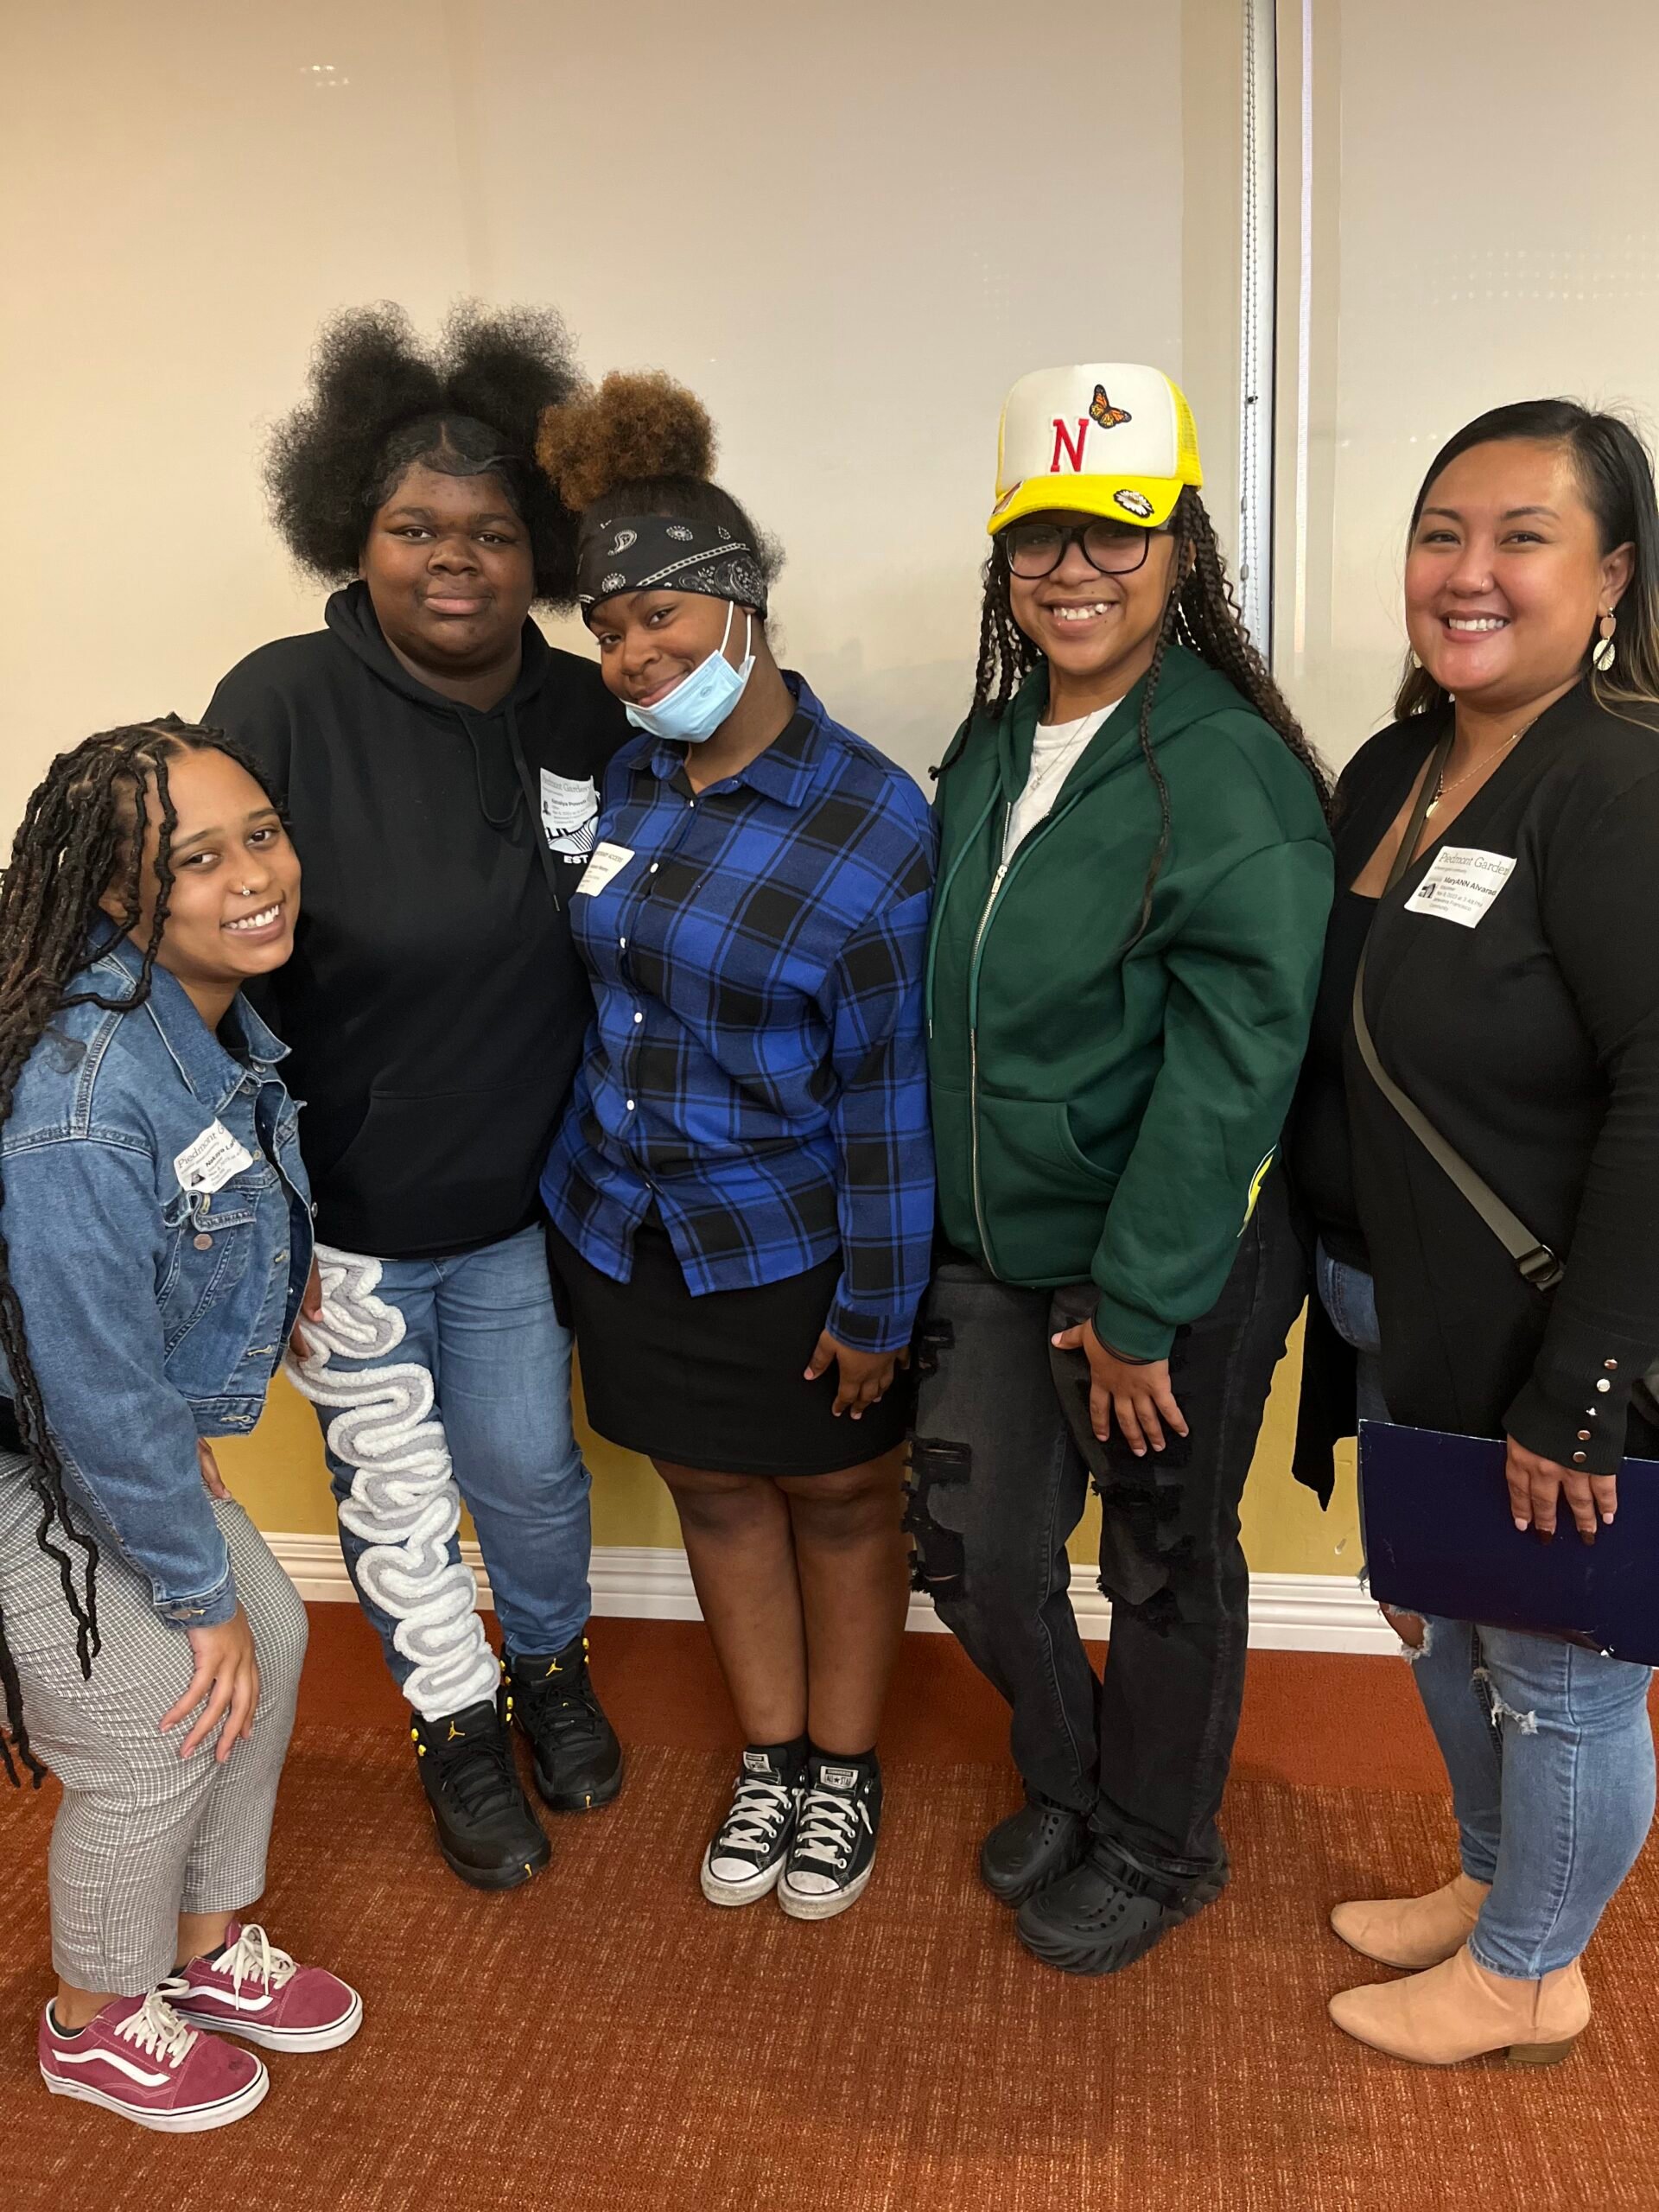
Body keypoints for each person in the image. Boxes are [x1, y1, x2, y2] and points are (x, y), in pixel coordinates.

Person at [911, 362, 1333, 1975]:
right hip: (991, 1249)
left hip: (1170, 1263)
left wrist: (1143, 1308)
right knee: (969, 1550)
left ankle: (1161, 1844)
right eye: (1042, 539)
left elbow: (1234, 1077)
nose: (1074, 570)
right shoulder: (997, 738)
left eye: (1118, 532)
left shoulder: (1228, 769)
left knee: (1161, 1555)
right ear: (1005, 558)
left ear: (1182, 548)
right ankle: (1075, 1779)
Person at [207, 305, 629, 1893]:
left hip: (522, 1216)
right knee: (395, 1494)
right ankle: (455, 1729)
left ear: (546, 554)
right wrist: (262, 1218)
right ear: (355, 534)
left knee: (529, 1475)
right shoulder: (279, 702)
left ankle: (551, 1674)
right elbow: (200, 966)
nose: (454, 561)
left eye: (494, 533)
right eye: (413, 528)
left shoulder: (586, 708)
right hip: (348, 1227)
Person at [533, 373, 935, 1920]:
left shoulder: (872, 821)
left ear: (747, 606)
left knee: (841, 1501)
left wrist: (876, 1309)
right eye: (609, 628)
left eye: (664, 620)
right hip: (627, 1231)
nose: (636, 657)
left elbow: (889, 1094)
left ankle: (843, 1769)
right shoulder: (627, 776)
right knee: (710, 1490)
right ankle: (772, 1758)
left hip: (794, 1246)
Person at [1289, 399, 1659, 2068]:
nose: (1471, 571)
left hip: (1550, 1330)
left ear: (1611, 579)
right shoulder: (1397, 763)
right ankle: (1497, 1882)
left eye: (1523, 537)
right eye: (1445, 533)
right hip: (1397, 1308)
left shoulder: (1617, 790)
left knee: (1564, 1667)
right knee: (1443, 1620)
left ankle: (1531, 1973)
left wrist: (1586, 1386)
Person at [1, 720, 359, 2133]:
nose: (251, 877)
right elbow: (84, 1383)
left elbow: (213, 1195)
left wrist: (270, 1281)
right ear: (114, 897)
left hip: (72, 1422)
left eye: (259, 834)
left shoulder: (189, 1011)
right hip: (26, 1443)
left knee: (269, 1637)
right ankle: (91, 2018)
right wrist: (184, 1580)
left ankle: (201, 1955)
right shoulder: (79, 1099)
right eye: (194, 861)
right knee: (160, 1708)